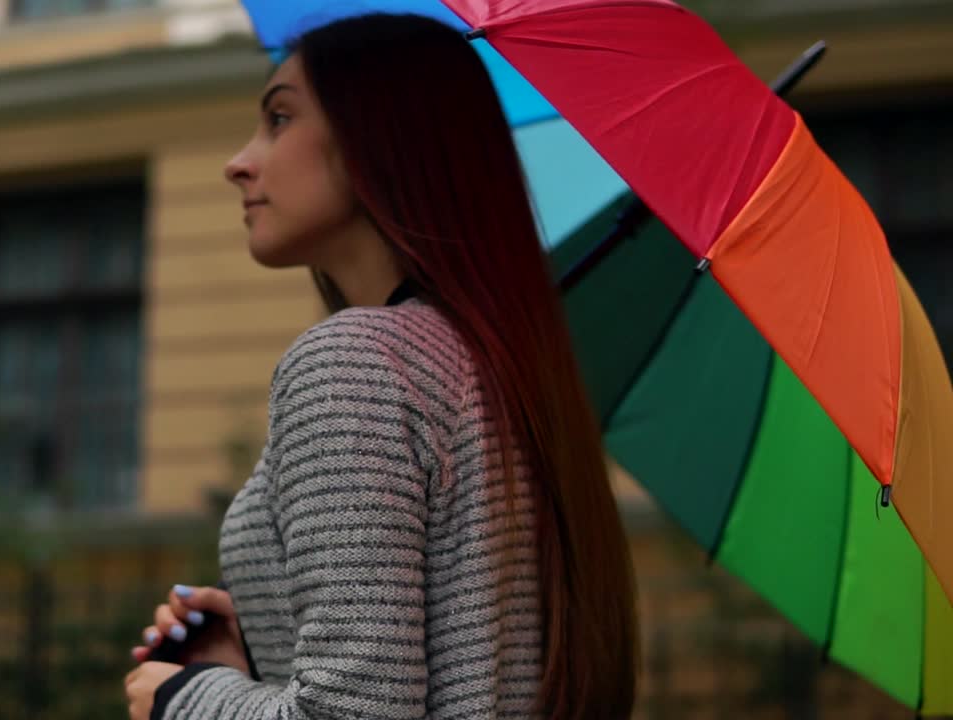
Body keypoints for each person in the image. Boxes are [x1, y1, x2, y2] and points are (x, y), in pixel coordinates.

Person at [124, 13, 639, 719]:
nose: (238, 163)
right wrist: (254, 650)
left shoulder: (356, 363)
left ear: (380, 137)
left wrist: (182, 696)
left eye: (280, 119)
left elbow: (351, 713)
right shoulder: (499, 373)